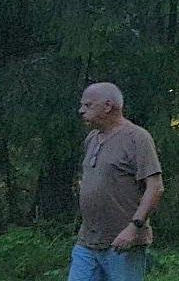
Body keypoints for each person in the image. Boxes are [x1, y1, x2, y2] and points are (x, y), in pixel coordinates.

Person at [69, 82, 165, 281]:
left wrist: (134, 227)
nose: (81, 111)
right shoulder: (92, 138)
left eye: (88, 106)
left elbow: (155, 187)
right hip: (87, 241)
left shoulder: (137, 137)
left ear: (108, 106)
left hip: (123, 243)